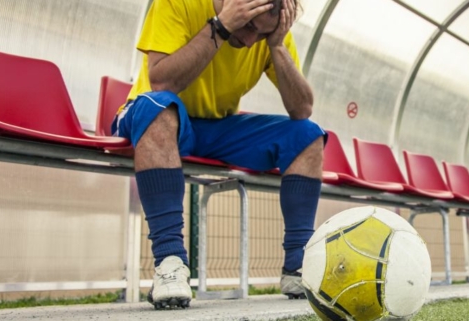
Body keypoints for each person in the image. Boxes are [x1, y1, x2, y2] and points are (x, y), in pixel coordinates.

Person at [112, 0, 325, 309]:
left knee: (307, 134)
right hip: (151, 116)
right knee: (158, 107)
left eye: (262, 35)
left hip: (215, 127)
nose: (251, 41)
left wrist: (276, 45)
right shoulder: (177, 3)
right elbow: (161, 81)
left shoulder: (269, 31)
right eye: (250, 26)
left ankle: (298, 265)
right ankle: (170, 263)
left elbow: (301, 108)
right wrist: (222, 26)